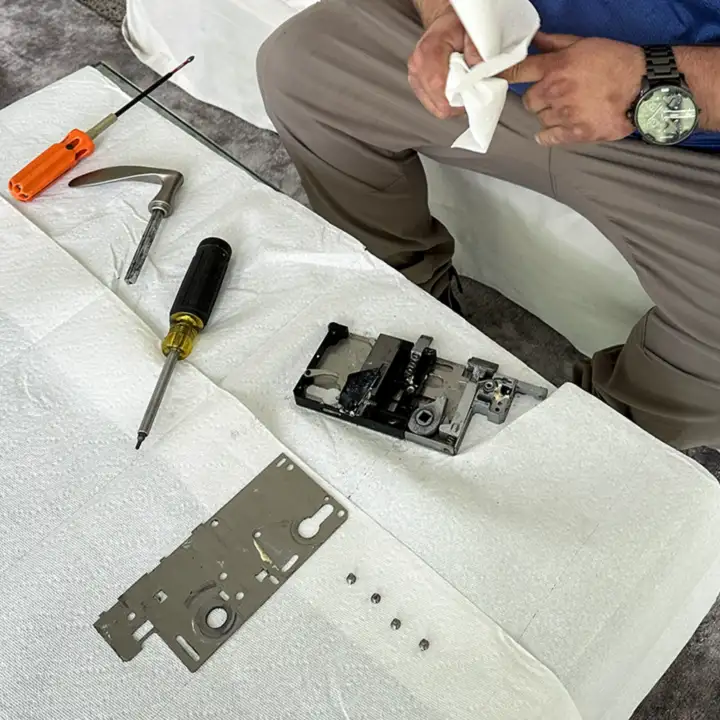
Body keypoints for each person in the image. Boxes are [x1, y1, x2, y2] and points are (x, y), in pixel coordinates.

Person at [257, 0, 720, 450]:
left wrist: (661, 79)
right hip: (510, 68)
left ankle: (562, 446)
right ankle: (407, 331)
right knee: (304, 63)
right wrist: (442, 12)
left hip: (687, 136)